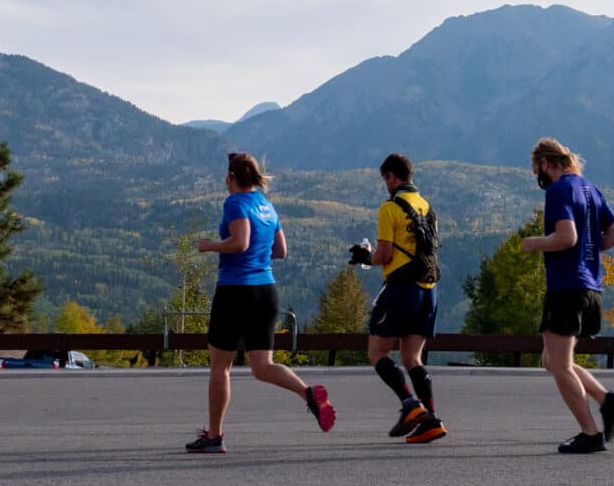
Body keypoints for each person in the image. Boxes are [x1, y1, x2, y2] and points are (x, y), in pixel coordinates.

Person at [184, 152, 335, 453]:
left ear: (231, 178)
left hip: (235, 291)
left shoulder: (235, 203)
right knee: (262, 366)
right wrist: (258, 256)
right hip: (266, 291)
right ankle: (306, 393)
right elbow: (280, 251)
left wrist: (211, 245)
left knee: (220, 368)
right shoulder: (267, 206)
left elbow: (239, 243)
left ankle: (214, 436)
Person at [518, 138, 614, 454]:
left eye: (536, 168)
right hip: (591, 287)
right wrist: (588, 255)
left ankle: (591, 433)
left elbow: (567, 237)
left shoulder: (558, 190)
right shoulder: (590, 189)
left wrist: (536, 243)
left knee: (560, 366)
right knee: (553, 360)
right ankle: (606, 400)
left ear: (545, 163)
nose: (537, 174)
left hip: (566, 288)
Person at [357, 152, 446, 443]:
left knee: (377, 352)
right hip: (428, 290)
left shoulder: (390, 208)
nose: (386, 184)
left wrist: (365, 257)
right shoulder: (427, 206)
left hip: (400, 288)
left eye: (385, 179)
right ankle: (431, 419)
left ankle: (410, 405)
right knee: (412, 357)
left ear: (391, 177)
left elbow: (385, 255)